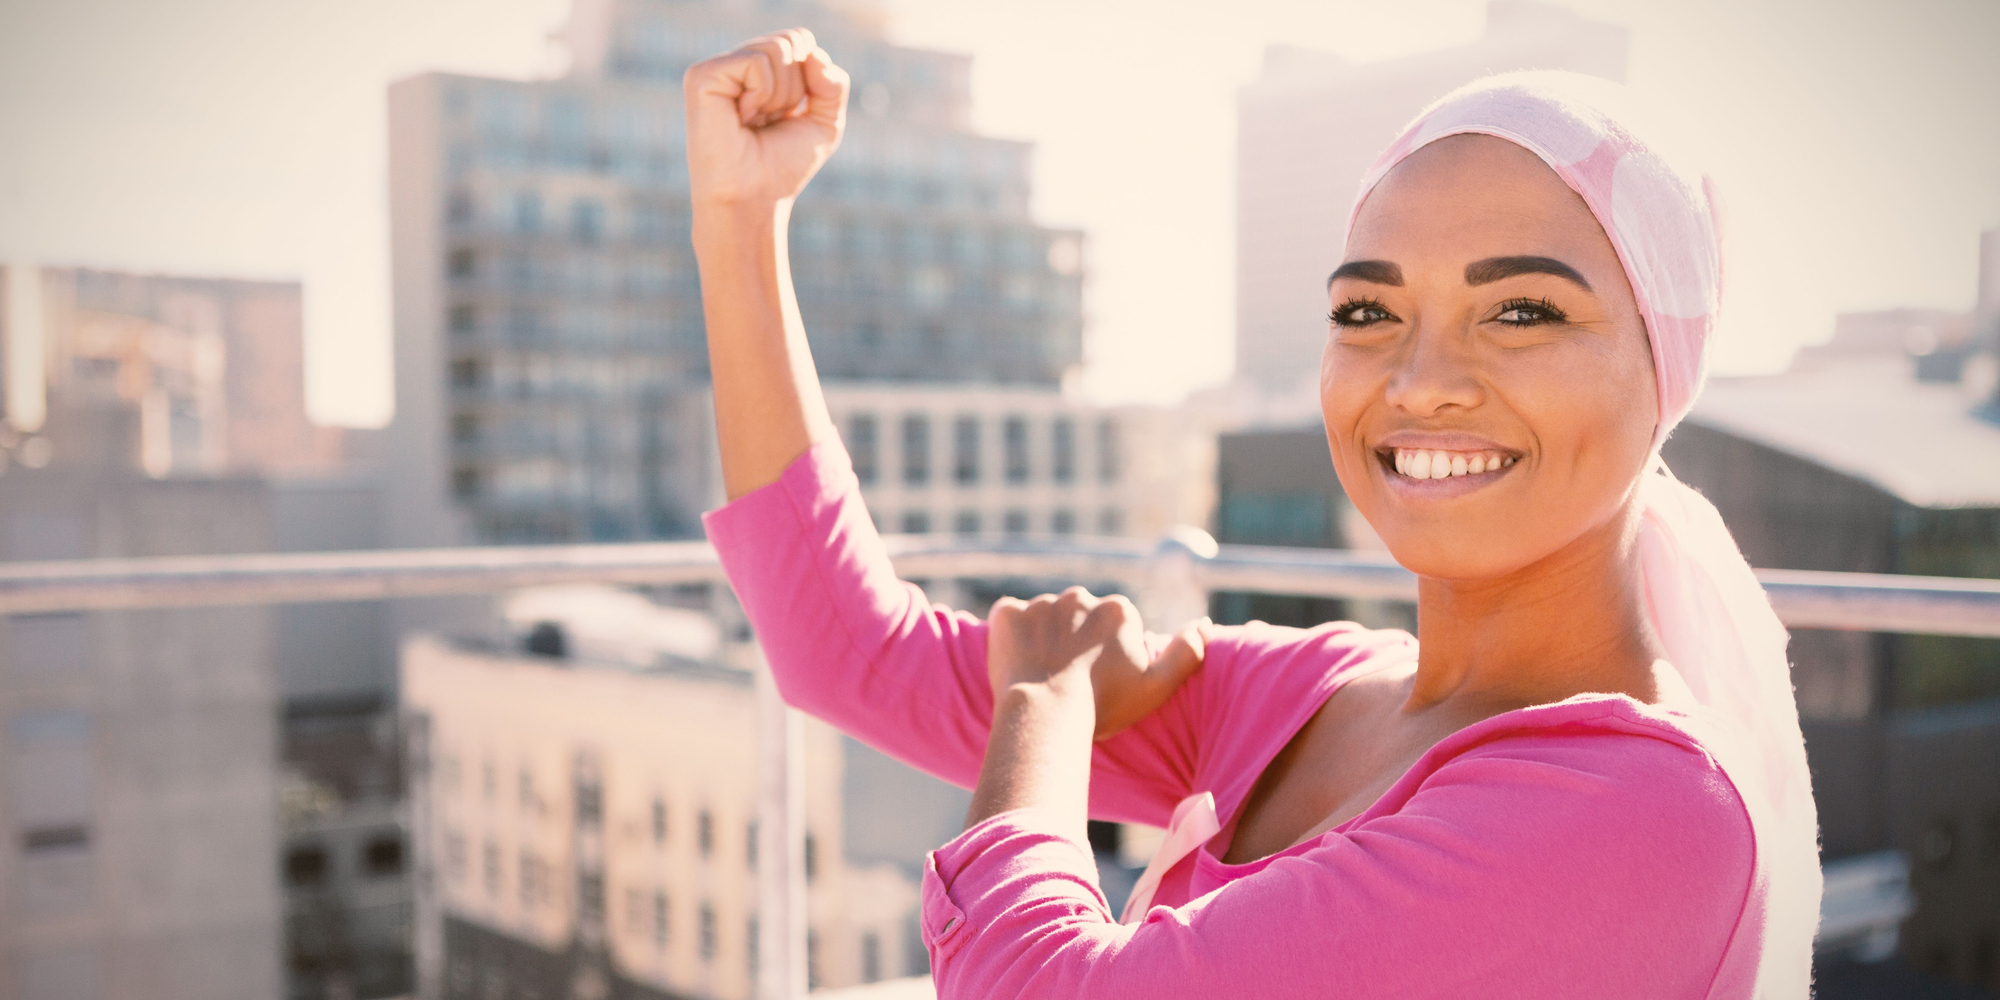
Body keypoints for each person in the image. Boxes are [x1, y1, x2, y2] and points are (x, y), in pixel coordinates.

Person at [687, 28, 1820, 999]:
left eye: (1520, 309)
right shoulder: (1306, 692)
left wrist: (1042, 702)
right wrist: (740, 219)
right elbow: (849, 651)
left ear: (1663, 366)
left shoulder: (1641, 811)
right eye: (1367, 309)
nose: (1419, 379)